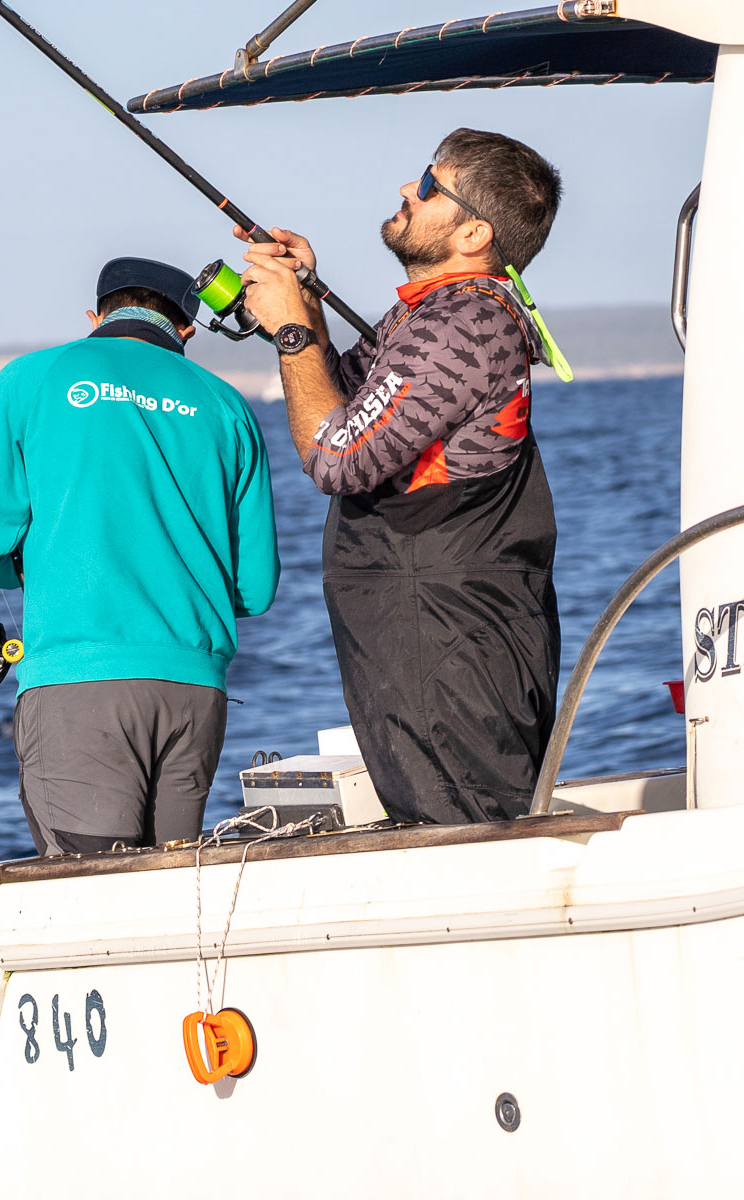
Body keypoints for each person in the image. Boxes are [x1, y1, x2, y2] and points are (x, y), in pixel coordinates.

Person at [236, 128, 563, 825]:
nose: (406, 191)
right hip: (419, 634)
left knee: (470, 835)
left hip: (449, 641)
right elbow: (345, 400)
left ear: (474, 232)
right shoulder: (431, 316)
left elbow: (338, 458)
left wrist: (290, 332)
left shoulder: (464, 323)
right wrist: (308, 303)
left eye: (428, 184)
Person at [0, 257, 280, 855]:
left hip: (80, 687)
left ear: (95, 317)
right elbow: (253, 587)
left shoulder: (31, 378)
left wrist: (29, 563)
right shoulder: (228, 407)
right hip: (194, 694)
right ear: (186, 331)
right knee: (172, 903)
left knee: (90, 899)